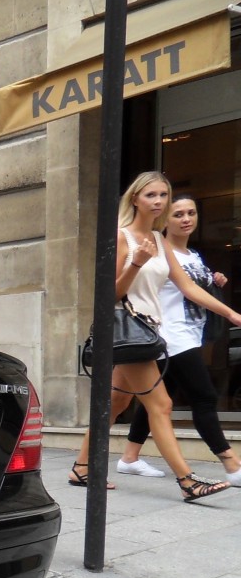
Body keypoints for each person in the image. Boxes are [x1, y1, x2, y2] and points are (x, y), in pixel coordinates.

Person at [68, 172, 233, 502]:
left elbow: (188, 288)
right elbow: (108, 294)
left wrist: (232, 314)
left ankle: (81, 468)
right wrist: (135, 264)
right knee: (162, 404)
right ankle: (187, 481)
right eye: (150, 195)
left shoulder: (160, 241)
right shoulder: (121, 237)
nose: (158, 202)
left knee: (116, 402)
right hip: (129, 333)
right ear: (135, 199)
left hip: (147, 332)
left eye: (163, 195)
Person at [117, 194, 241, 485]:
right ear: (165, 220)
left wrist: (214, 280)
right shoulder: (157, 248)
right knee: (204, 397)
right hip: (168, 336)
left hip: (188, 334)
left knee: (146, 402)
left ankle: (128, 458)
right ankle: (231, 464)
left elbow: (192, 287)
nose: (186, 219)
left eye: (191, 213)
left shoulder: (193, 256)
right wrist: (232, 314)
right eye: (178, 214)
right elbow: (167, 289)